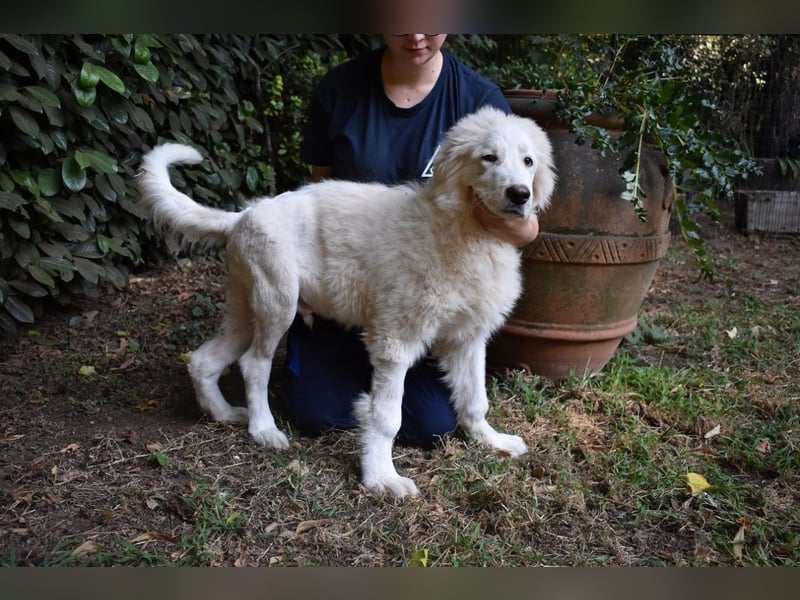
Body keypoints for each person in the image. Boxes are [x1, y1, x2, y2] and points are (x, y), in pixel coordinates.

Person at [282, 34, 539, 448]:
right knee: (316, 412)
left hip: (424, 290)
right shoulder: (340, 88)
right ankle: (359, 377)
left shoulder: (478, 101)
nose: (417, 35)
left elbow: (524, 221)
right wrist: (304, 273)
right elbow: (315, 196)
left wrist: (496, 208)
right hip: (349, 280)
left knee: (431, 425)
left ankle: (426, 399)